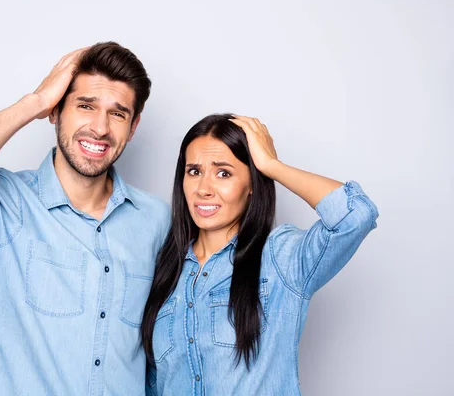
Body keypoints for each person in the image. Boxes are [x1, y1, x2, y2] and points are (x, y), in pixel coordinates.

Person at [0, 42, 170, 395]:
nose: (100, 128)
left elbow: (159, 351)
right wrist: (34, 103)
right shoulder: (1, 205)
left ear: (133, 126)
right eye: (85, 106)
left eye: (117, 114)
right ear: (56, 111)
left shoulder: (156, 219)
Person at [141, 114, 379, 395]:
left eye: (223, 173)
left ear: (252, 184)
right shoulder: (165, 270)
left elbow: (355, 215)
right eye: (194, 171)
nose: (203, 189)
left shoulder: (279, 258)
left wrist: (271, 166)